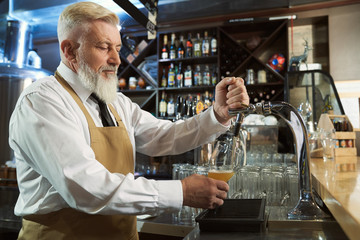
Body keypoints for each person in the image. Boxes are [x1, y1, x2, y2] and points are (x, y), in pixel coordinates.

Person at [9, 2, 249, 240]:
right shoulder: (42, 100)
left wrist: (217, 114)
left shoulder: (116, 102)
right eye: (104, 47)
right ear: (69, 51)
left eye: (117, 48)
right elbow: (85, 187)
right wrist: (181, 192)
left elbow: (164, 136)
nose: (117, 59)